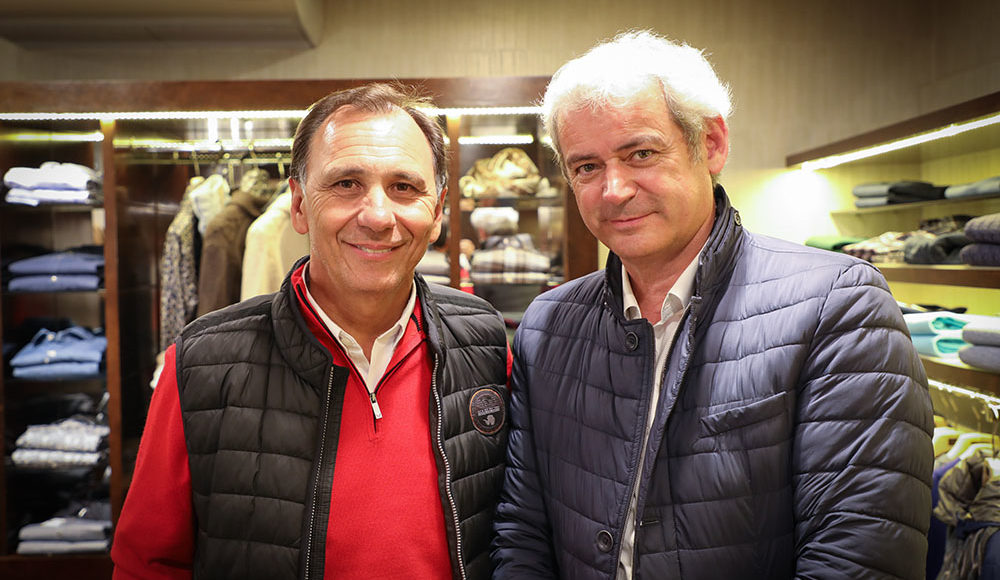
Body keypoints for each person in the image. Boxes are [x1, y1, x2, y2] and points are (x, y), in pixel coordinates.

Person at [492, 30, 934, 580]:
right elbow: (522, 531)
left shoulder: (838, 306)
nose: (614, 189)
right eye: (587, 167)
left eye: (641, 153)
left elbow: (860, 555)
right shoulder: (547, 326)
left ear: (713, 144)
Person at [111, 83, 511, 580]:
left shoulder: (484, 343)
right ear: (299, 205)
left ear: (437, 212)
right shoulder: (200, 364)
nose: (378, 216)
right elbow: (147, 564)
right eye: (346, 183)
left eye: (404, 187)